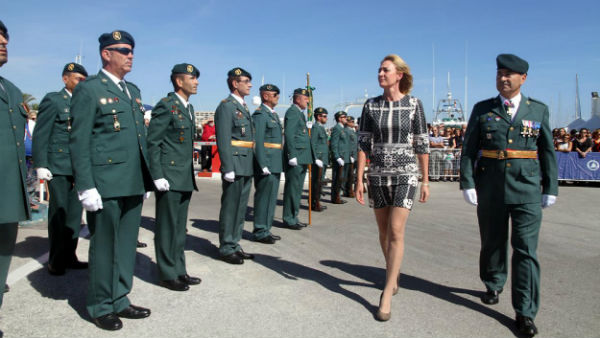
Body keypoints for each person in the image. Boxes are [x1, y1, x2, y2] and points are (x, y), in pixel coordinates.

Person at [460, 54, 558, 337]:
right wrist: (467, 183)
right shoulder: (482, 109)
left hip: (526, 188)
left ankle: (525, 311)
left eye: (510, 74)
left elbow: (547, 151)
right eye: (500, 73)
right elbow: (468, 149)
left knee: (526, 250)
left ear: (523, 78)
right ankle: (493, 282)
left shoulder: (537, 110)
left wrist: (550, 187)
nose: (503, 78)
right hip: (490, 186)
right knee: (492, 240)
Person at [69, 30, 153, 331]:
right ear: (106, 53)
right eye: (123, 50)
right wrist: (86, 186)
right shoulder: (90, 89)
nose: (130, 55)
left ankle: (120, 298)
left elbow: (139, 139)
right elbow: (79, 141)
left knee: (127, 245)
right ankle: (100, 305)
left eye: (131, 50)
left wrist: (146, 178)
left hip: (131, 181)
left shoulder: (133, 90)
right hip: (105, 183)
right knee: (104, 247)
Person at [355, 54, 430, 322]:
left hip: (406, 174)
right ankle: (392, 273)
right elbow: (364, 143)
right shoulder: (370, 106)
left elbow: (421, 143)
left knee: (396, 230)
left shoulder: (414, 105)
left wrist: (425, 179)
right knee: (383, 231)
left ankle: (386, 291)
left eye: (385, 70)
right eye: (378, 70)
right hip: (377, 175)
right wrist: (359, 179)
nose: (380, 74)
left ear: (399, 75)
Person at [147, 63, 201, 291]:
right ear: (179, 81)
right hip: (169, 176)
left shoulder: (188, 108)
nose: (197, 82)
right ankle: (167, 273)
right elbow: (153, 142)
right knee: (167, 227)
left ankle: (180, 269)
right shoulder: (166, 106)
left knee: (180, 228)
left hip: (184, 176)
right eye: (192, 78)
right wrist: (157, 175)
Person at [33, 62, 89, 275]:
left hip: (78, 167)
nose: (82, 83)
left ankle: (70, 256)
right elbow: (41, 133)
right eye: (78, 79)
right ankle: (56, 260)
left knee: (75, 214)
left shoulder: (84, 103)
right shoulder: (54, 100)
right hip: (57, 166)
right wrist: (40, 164)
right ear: (66, 79)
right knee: (59, 213)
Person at [0, 19, 32, 312]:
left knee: (3, 253)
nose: (3, 42)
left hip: (7, 189)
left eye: (5, 37)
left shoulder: (11, 90)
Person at [214, 67, 255, 264]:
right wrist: (227, 166)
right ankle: (226, 247)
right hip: (235, 163)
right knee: (231, 207)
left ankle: (235, 243)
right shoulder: (226, 106)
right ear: (234, 83)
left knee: (240, 208)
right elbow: (223, 138)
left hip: (246, 162)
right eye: (246, 81)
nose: (250, 85)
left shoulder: (243, 106)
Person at [251, 84, 283, 244]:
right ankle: (260, 230)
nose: (278, 97)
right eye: (275, 94)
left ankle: (266, 229)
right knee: (264, 197)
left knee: (271, 198)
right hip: (267, 162)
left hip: (275, 161)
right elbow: (257, 141)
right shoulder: (260, 115)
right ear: (265, 96)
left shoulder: (273, 115)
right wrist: (262, 164)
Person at [282, 88, 312, 229]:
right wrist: (291, 155)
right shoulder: (293, 112)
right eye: (306, 99)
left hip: (302, 156)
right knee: (292, 189)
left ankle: (294, 216)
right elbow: (289, 135)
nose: (308, 101)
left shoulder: (299, 114)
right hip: (296, 157)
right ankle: (289, 218)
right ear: (298, 99)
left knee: (298, 189)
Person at [310, 107, 329, 212]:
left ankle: (317, 201)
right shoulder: (316, 128)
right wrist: (315, 158)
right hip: (319, 159)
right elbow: (312, 143)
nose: (326, 118)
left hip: (323, 159)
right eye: (324, 116)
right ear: (318, 116)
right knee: (316, 182)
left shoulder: (321, 128)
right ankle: (314, 203)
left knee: (320, 182)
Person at [330, 111, 349, 204]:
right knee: (337, 178)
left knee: (340, 178)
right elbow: (333, 144)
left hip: (343, 157)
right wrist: (337, 157)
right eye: (344, 117)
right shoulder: (337, 128)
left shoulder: (342, 128)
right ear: (339, 119)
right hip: (339, 158)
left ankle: (338, 196)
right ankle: (335, 197)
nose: (346, 118)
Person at [343, 116, 357, 197]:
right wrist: (351, 154)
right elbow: (348, 144)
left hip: (353, 155)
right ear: (347, 122)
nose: (353, 123)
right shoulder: (346, 131)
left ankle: (348, 190)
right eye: (351, 121)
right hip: (349, 155)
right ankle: (346, 190)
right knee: (347, 174)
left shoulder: (352, 131)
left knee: (350, 174)